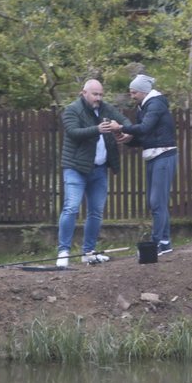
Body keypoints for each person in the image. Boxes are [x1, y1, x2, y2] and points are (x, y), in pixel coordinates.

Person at [56, 78, 132, 267]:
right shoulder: (72, 110)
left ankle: (88, 252)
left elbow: (125, 121)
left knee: (96, 212)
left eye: (100, 94)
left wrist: (123, 130)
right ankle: (63, 251)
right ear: (84, 93)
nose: (98, 98)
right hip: (76, 168)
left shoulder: (106, 109)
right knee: (71, 208)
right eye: (95, 94)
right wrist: (97, 129)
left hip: (99, 169)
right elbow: (73, 132)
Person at [109, 74, 177, 256]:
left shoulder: (155, 105)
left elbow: (145, 128)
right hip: (153, 156)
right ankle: (165, 242)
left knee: (157, 202)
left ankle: (155, 244)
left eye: (133, 92)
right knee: (157, 202)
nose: (131, 96)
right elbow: (143, 136)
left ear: (143, 91)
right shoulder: (143, 106)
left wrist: (120, 128)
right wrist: (126, 140)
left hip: (164, 155)